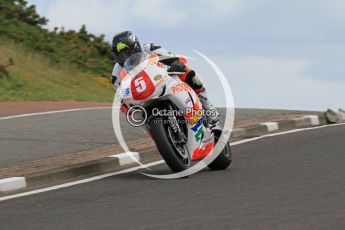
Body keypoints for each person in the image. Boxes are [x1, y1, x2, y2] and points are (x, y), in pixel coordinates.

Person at [111, 31, 220, 126]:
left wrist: (175, 63)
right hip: (142, 94)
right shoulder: (116, 73)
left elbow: (170, 56)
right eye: (120, 56)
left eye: (127, 53)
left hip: (162, 79)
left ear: (136, 47)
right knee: (129, 111)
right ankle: (154, 133)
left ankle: (206, 104)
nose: (125, 58)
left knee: (188, 72)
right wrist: (127, 106)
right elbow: (120, 94)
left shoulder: (150, 48)